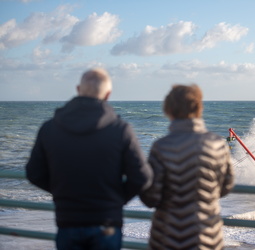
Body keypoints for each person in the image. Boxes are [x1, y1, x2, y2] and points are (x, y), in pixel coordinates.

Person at [25, 68, 153, 250]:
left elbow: (34, 173)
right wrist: (116, 199)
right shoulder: (120, 130)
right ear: (108, 94)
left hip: (68, 221)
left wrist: (61, 192)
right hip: (106, 221)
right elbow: (142, 177)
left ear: (78, 89)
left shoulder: (49, 128)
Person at [140, 84, 234, 250]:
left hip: (167, 239)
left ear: (168, 109)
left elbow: (151, 198)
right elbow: (225, 187)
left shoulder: (161, 147)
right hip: (208, 239)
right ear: (199, 107)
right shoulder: (218, 145)